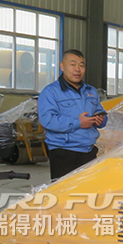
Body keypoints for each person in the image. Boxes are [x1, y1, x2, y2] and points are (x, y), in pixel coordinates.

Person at [38, 49, 106, 181]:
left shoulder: (91, 91)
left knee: (87, 191)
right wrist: (78, 122)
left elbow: (101, 113)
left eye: (81, 65)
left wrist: (101, 119)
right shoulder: (50, 92)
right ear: (62, 66)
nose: (78, 69)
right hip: (64, 152)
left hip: (89, 151)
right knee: (66, 192)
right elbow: (47, 120)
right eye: (73, 65)